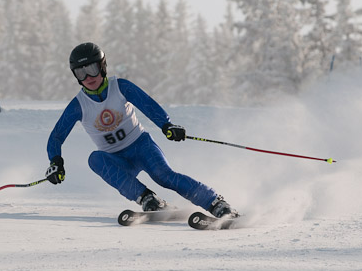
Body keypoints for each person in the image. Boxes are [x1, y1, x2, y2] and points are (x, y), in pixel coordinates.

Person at [45, 42, 237, 218]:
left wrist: (166, 125)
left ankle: (215, 203)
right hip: (116, 159)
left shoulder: (120, 87)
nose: (88, 77)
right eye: (81, 73)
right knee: (95, 159)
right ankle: (147, 199)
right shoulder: (79, 105)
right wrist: (56, 161)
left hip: (141, 147)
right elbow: (56, 136)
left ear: (102, 67)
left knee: (164, 176)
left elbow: (148, 105)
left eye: (92, 69)